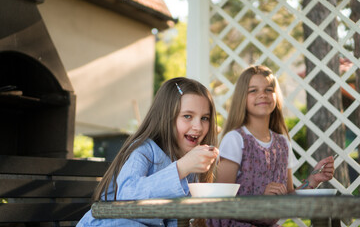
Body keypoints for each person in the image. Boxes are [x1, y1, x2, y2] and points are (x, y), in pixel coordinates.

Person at [77, 77, 219, 227]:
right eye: (187, 116)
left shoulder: (191, 164)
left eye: (204, 118)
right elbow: (127, 198)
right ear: (166, 117)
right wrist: (181, 168)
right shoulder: (143, 150)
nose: (198, 126)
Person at [207, 65, 335, 227]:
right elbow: (221, 203)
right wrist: (261, 199)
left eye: (269, 89)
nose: (262, 95)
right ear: (241, 98)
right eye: (253, 90)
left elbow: (288, 199)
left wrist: (312, 181)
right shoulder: (235, 139)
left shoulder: (282, 143)